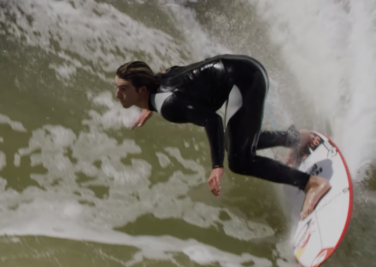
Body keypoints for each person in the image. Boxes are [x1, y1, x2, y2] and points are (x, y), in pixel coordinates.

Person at [113, 55, 330, 219]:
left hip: (245, 80)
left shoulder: (168, 105)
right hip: (243, 69)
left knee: (240, 161)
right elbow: (169, 72)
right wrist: (148, 107)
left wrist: (217, 166)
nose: (117, 95)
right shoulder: (157, 83)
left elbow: (212, 120)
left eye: (123, 89)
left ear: (142, 90)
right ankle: (295, 138)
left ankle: (312, 184)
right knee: (236, 143)